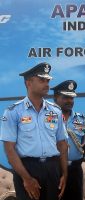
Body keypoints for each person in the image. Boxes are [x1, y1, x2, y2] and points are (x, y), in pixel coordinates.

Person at [0, 63, 68, 200]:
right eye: (42, 80)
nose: (47, 84)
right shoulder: (13, 112)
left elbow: (62, 144)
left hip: (52, 168)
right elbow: (9, 150)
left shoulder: (55, 111)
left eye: (48, 80)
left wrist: (64, 174)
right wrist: (27, 179)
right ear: (29, 83)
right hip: (27, 168)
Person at [51, 80, 85, 200]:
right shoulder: (47, 118)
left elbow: (83, 145)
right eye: (66, 97)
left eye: (72, 98)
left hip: (75, 171)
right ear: (56, 97)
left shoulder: (81, 119)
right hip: (54, 170)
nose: (70, 101)